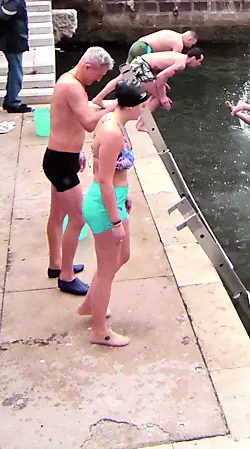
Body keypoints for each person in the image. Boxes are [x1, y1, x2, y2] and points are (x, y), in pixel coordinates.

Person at [75, 79, 149, 347]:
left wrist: (124, 196)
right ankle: (100, 331)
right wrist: (115, 220)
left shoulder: (119, 124)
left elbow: (117, 171)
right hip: (104, 205)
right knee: (106, 269)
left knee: (124, 255)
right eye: (142, 105)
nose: (144, 110)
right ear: (130, 106)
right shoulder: (111, 131)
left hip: (115, 200)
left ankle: (89, 304)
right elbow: (103, 179)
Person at [44, 47, 117, 295]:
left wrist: (77, 151)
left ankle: (56, 264)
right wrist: (114, 108)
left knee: (57, 216)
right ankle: (66, 277)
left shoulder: (69, 80)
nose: (99, 80)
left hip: (60, 156)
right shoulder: (73, 86)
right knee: (78, 218)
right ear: (88, 66)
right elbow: (88, 123)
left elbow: (71, 120)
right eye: (99, 75)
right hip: (61, 163)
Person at [92, 49, 204, 128]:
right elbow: (161, 76)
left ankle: (98, 97)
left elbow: (160, 69)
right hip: (143, 66)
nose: (199, 64)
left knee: (119, 79)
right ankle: (142, 123)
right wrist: (163, 96)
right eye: (199, 61)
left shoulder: (179, 56)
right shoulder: (181, 64)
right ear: (193, 58)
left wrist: (162, 84)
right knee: (158, 96)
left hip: (140, 61)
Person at [0, 0, 32, 113]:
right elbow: (4, 14)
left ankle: (11, 99)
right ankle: (13, 102)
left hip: (11, 39)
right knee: (16, 71)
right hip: (13, 40)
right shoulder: (15, 1)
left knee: (15, 70)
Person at [126, 29, 198, 63]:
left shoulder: (171, 32)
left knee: (126, 70)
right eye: (192, 44)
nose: (190, 46)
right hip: (145, 48)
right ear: (189, 39)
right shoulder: (179, 44)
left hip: (137, 44)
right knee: (145, 74)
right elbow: (170, 61)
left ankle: (118, 86)